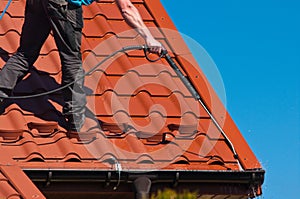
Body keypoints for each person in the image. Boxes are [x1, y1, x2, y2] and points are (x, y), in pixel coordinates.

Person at [0, 0, 163, 134]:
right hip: (63, 4)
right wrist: (149, 38)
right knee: (71, 59)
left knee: (25, 54)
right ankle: (74, 120)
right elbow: (127, 8)